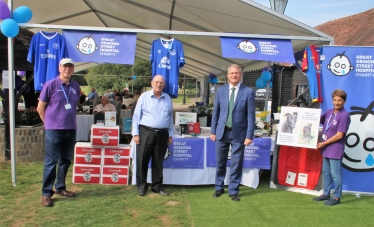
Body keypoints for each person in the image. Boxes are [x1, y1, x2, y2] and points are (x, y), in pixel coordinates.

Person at [37, 58, 80, 207]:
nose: (67, 69)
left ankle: (60, 187)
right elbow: (40, 108)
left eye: (70, 66)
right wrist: (48, 124)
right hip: (54, 130)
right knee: (51, 162)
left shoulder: (75, 86)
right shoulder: (51, 85)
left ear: (73, 69)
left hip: (70, 129)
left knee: (65, 160)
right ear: (59, 68)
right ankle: (46, 193)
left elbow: (73, 106)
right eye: (65, 66)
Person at [210, 64, 255, 202]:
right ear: (227, 75)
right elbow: (216, 112)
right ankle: (219, 187)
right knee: (220, 162)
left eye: (236, 73)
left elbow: (251, 116)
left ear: (240, 75)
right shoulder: (221, 90)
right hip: (221, 133)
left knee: (236, 163)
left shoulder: (248, 92)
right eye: (231, 73)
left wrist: (249, 135)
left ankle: (233, 190)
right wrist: (213, 131)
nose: (234, 75)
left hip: (239, 135)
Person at [132, 75, 174, 196]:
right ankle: (142, 185)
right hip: (146, 132)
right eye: (156, 82)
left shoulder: (167, 98)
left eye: (161, 83)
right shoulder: (144, 97)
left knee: (158, 161)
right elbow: (136, 116)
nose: (159, 84)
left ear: (164, 85)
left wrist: (170, 135)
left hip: (162, 134)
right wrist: (135, 134)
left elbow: (170, 118)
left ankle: (156, 186)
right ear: (152, 83)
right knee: (142, 160)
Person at [313, 89, 351, 206]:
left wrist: (323, 143)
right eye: (335, 100)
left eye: (339, 100)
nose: (337, 102)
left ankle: (336, 197)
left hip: (335, 149)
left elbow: (339, 135)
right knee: (326, 173)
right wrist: (304, 114)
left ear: (344, 101)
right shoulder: (330, 112)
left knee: (336, 175)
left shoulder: (344, 115)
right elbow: (317, 120)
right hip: (325, 149)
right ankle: (326, 193)